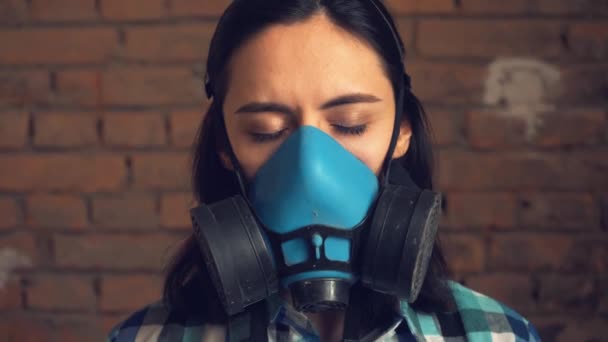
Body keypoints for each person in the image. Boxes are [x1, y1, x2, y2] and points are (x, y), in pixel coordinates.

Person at [108, 0, 540, 341]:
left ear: (402, 130)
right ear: (224, 145)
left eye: (351, 124)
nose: (310, 171)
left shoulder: (495, 335)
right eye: (265, 131)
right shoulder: (144, 338)